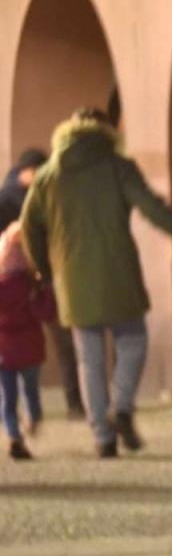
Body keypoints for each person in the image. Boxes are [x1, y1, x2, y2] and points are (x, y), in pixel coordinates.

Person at [20, 108, 172, 456]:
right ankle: (122, 406)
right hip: (119, 274)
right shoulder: (119, 167)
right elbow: (153, 209)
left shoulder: (47, 176)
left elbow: (30, 229)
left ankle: (103, 437)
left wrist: (44, 270)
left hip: (71, 281)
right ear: (107, 133)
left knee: (89, 359)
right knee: (133, 341)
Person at [2, 147, 83, 419]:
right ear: (30, 172)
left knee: (63, 342)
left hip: (41, 280)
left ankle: (73, 402)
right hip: (24, 282)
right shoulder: (8, 200)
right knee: (53, 343)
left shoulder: (45, 196)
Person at [0, 224, 53, 460]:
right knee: (31, 391)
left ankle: (13, 435)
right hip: (30, 348)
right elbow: (47, 313)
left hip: (3, 349)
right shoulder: (33, 284)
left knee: (7, 397)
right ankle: (33, 419)